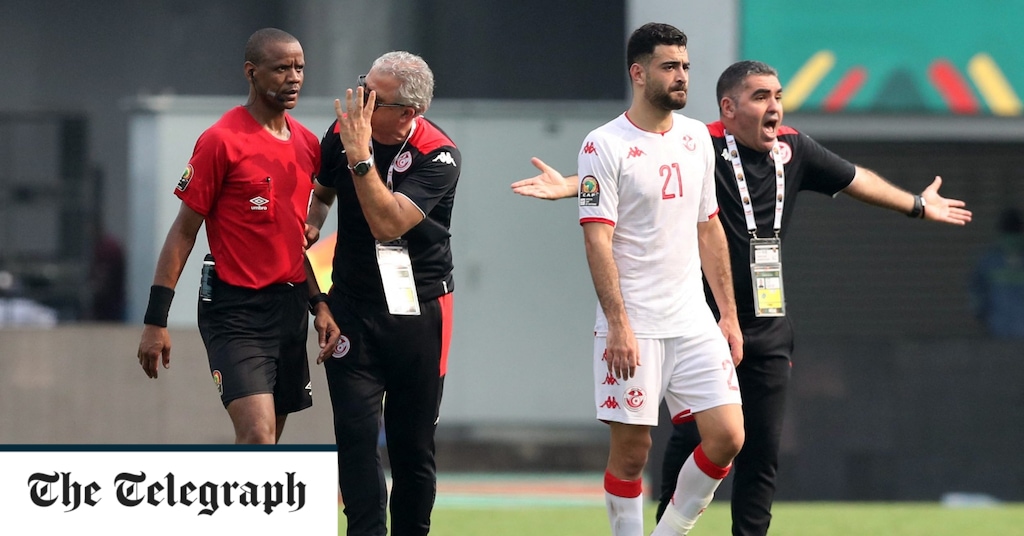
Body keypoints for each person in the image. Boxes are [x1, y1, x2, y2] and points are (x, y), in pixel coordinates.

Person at [512, 59, 972, 536]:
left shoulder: (794, 148)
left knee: (760, 450)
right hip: (704, 318)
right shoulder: (700, 142)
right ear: (728, 108)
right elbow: (635, 168)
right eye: (761, 97)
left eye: (778, 96)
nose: (774, 107)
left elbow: (857, 180)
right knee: (688, 437)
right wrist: (572, 185)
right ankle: (668, 527)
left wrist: (918, 205)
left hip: (767, 324)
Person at [571, 23, 746, 536]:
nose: (682, 76)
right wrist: (618, 325)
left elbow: (709, 227)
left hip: (692, 320)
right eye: (670, 66)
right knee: (632, 454)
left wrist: (728, 315)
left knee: (728, 436)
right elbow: (597, 240)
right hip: (636, 325)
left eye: (685, 66)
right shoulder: (603, 144)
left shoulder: (696, 137)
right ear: (639, 72)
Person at [136, 28, 340, 445]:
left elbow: (301, 228)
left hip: (289, 310)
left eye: (299, 68)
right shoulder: (221, 141)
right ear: (251, 72)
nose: (294, 78)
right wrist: (156, 320)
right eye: (281, 69)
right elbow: (183, 233)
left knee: (267, 445)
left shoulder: (306, 144)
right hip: (235, 310)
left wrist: (319, 303)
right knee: (257, 435)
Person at [306, 51, 460, 536]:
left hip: (420, 310)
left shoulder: (439, 155)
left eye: (374, 96)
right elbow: (323, 190)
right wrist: (313, 222)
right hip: (352, 305)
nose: (360, 101)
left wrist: (361, 159)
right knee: (354, 437)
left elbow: (388, 223)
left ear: (408, 113)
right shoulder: (343, 133)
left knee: (411, 447)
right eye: (362, 85)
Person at [970, 207, 1024, 338]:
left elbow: (977, 296)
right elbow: (977, 293)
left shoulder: (989, 261)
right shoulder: (990, 261)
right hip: (999, 331)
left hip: (999, 330)